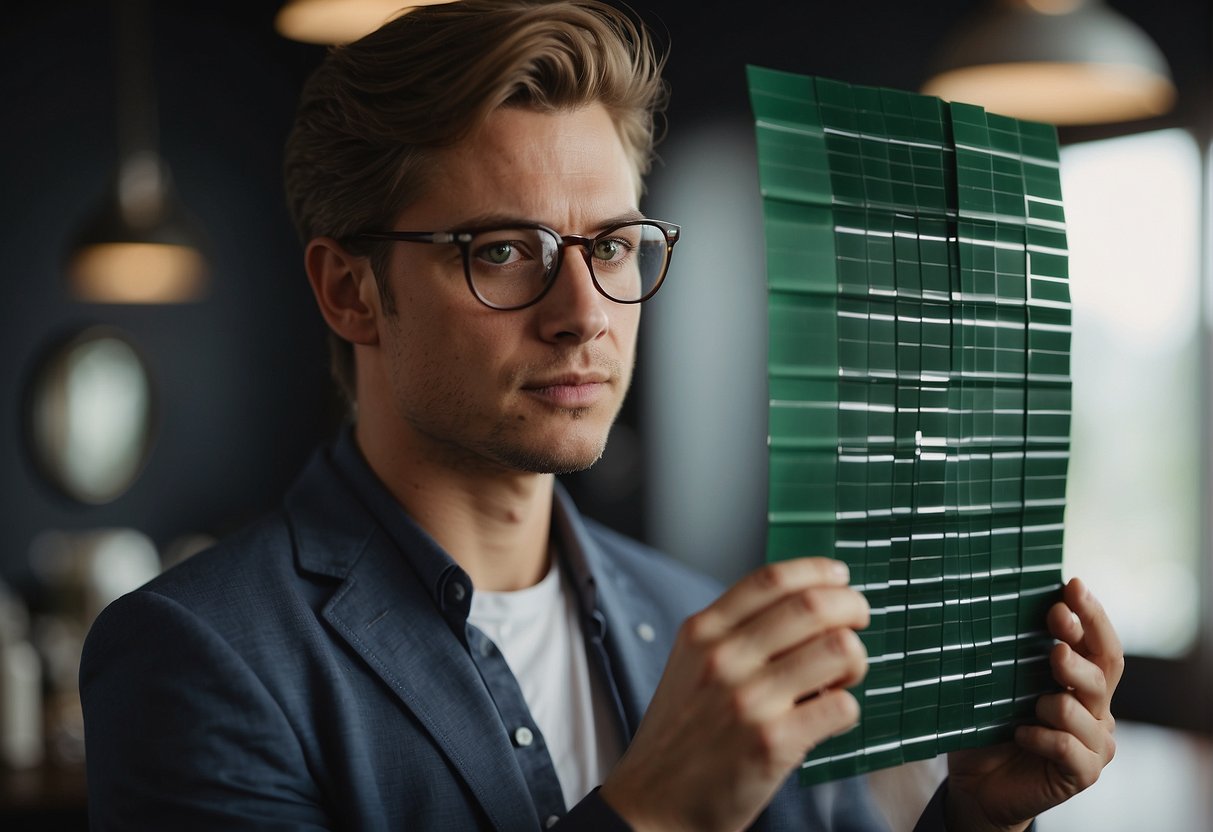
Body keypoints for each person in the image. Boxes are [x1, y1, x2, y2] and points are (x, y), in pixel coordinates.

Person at [79, 1, 1121, 830]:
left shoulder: (699, 622)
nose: (584, 316)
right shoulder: (193, 655)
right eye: (502, 250)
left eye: (613, 247)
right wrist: (654, 814)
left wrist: (977, 820)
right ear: (351, 290)